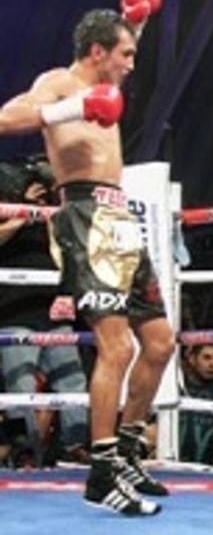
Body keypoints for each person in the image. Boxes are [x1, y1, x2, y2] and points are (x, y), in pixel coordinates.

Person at [0, 0, 172, 516]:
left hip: (121, 218)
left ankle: (127, 451)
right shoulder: (60, 83)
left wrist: (134, 18)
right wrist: (73, 108)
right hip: (85, 217)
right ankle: (100, 474)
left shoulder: (108, 77)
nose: (132, 65)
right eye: (127, 55)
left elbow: (119, 42)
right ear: (98, 52)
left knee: (160, 344)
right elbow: (6, 118)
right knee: (115, 348)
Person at [0, 159, 89, 466]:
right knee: (20, 388)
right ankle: (23, 450)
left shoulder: (53, 215)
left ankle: (75, 446)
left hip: (53, 313)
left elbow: (65, 252)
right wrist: (24, 213)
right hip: (14, 314)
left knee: (72, 381)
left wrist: (46, 211)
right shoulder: (7, 213)